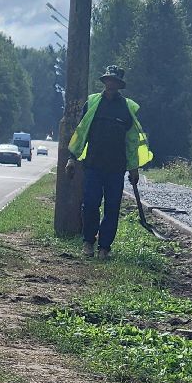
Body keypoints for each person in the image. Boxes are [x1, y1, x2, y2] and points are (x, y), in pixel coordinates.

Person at [65, 65, 153, 259]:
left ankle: (104, 247)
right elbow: (82, 133)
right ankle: (88, 241)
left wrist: (134, 167)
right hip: (93, 165)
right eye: (108, 80)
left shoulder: (127, 108)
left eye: (114, 81)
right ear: (105, 82)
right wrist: (72, 158)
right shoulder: (92, 103)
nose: (111, 84)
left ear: (119, 85)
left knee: (112, 208)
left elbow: (131, 142)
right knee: (89, 204)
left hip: (116, 168)